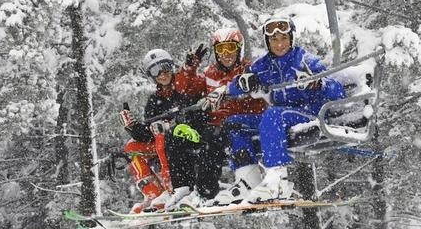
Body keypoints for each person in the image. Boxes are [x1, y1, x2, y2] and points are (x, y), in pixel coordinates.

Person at [216, 16, 347, 204]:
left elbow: (338, 92)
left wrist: (318, 84)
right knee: (234, 123)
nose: (279, 44)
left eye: (284, 38)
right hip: (280, 117)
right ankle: (248, 179)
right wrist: (240, 84)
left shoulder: (305, 60)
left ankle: (278, 180)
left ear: (291, 38)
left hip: (308, 114)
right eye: (274, 40)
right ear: (267, 42)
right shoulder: (264, 65)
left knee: (273, 114)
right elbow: (241, 82)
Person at [119, 47, 222, 212]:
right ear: (151, 76)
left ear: (171, 67)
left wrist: (171, 125)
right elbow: (147, 133)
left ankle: (172, 190)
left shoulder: (183, 88)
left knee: (162, 138)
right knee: (131, 148)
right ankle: (153, 193)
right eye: (155, 70)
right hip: (166, 142)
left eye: (165, 67)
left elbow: (198, 114)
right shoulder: (154, 100)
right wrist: (133, 127)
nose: (162, 74)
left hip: (189, 136)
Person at [201, 28, 267, 205]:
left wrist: (238, 92)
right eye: (220, 49)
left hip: (255, 118)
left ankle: (248, 180)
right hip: (227, 123)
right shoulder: (210, 74)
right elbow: (192, 91)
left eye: (230, 48)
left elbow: (257, 91)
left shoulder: (248, 70)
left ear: (239, 49)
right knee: (203, 137)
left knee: (232, 125)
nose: (226, 54)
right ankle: (201, 191)